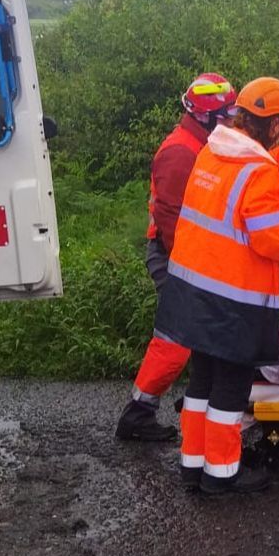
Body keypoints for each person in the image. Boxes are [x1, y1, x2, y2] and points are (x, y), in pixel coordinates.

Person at [156, 76, 279, 496]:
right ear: (276, 125)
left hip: (192, 292)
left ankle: (193, 465)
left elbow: (250, 175)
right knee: (231, 386)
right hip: (234, 298)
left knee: (201, 380)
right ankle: (222, 474)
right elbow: (270, 237)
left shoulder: (213, 152)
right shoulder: (259, 171)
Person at [114, 73, 236, 443]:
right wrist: (189, 266)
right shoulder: (180, 152)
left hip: (191, 254)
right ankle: (138, 414)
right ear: (206, 116)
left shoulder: (201, 143)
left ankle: (198, 397)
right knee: (177, 338)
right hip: (175, 256)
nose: (231, 120)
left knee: (200, 331)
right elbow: (169, 218)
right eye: (227, 114)